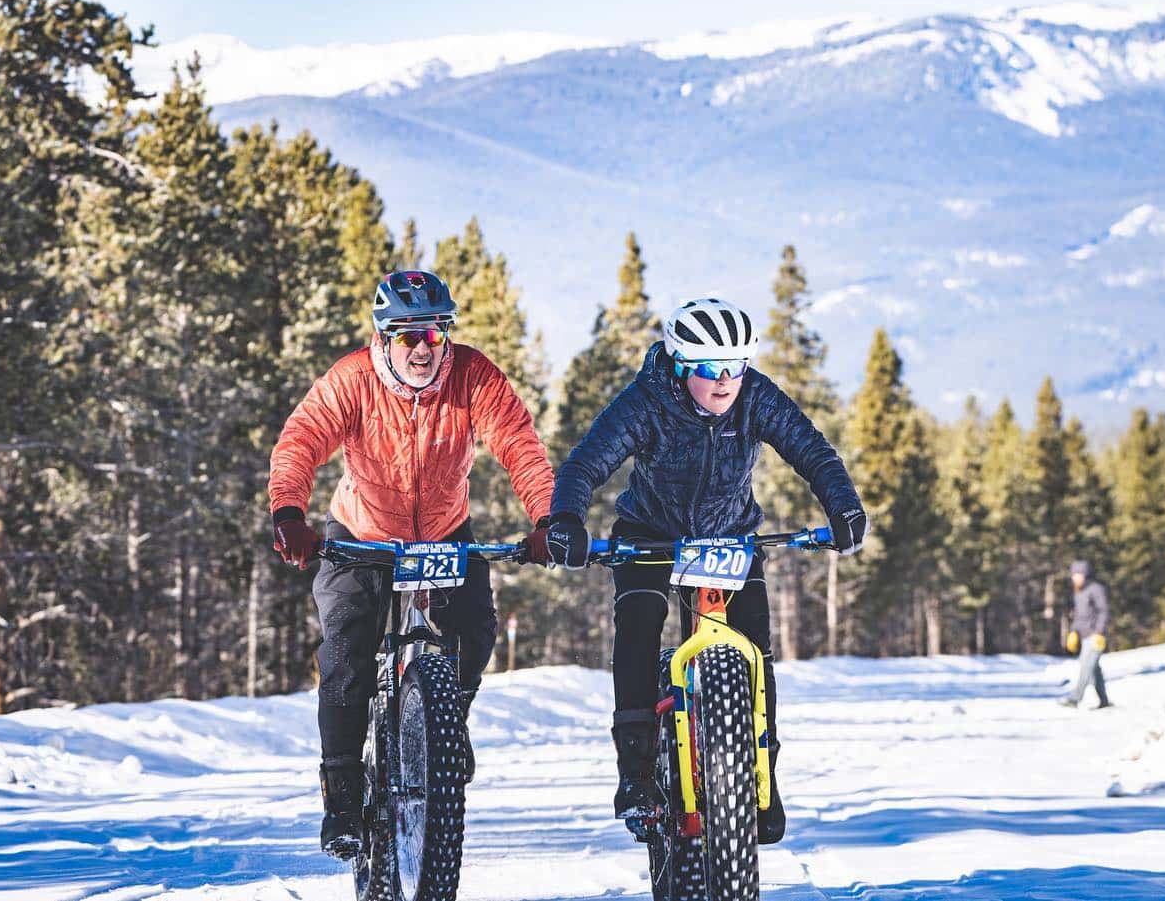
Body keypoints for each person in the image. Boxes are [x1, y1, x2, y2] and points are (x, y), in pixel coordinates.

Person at [531, 297, 866, 845]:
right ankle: (636, 777)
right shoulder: (646, 401)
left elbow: (813, 452)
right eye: (711, 369)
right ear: (682, 366)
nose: (725, 382)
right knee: (638, 628)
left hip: (730, 537)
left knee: (756, 652)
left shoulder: (754, 397)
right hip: (650, 537)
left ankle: (763, 779)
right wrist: (565, 519)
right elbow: (586, 463)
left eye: (736, 366)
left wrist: (844, 507)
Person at [268, 269, 555, 858]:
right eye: (407, 336)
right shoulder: (352, 379)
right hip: (362, 536)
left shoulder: (472, 374)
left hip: (446, 533)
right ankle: (343, 800)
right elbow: (301, 440)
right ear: (383, 338)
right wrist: (289, 512)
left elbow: (519, 443)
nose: (423, 348)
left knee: (474, 630)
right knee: (345, 656)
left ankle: (445, 725)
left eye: (434, 333)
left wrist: (548, 517)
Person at [1060, 558, 1112, 709]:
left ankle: (1075, 699)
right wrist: (1073, 632)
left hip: (1095, 637)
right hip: (1084, 636)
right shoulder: (1079, 592)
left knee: (1086, 666)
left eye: (1076, 574)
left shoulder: (1096, 589)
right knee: (1094, 668)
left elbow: (1103, 612)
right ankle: (1104, 701)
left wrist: (1099, 632)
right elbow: (1079, 615)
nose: (1073, 577)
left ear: (1084, 574)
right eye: (1073, 575)